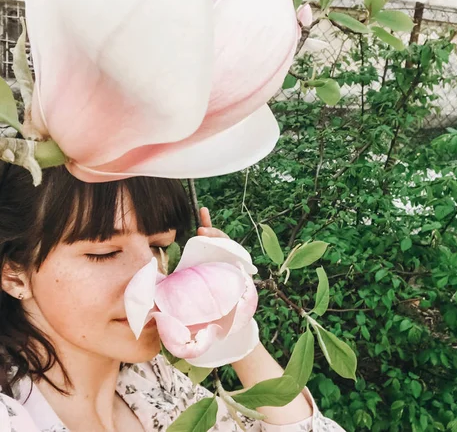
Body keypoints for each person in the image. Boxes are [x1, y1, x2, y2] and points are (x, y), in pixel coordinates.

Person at [0, 164, 344, 432]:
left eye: (159, 247)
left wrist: (224, 308)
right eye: (104, 253)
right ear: (14, 273)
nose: (150, 280)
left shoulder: (153, 381)